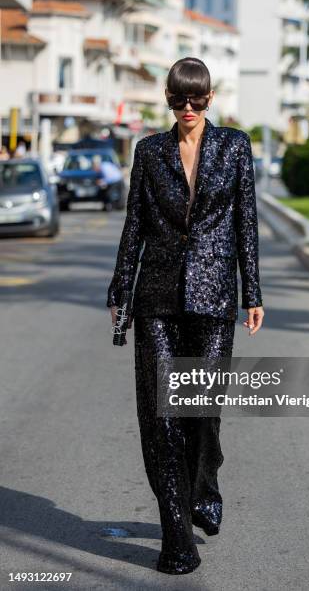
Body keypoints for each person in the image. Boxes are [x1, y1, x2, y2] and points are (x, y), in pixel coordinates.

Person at [106, 57, 264, 575]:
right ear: (169, 101)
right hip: (156, 298)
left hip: (216, 297)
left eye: (196, 100)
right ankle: (176, 537)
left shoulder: (234, 147)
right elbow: (135, 225)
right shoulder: (149, 152)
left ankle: (204, 483)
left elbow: (246, 223)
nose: (188, 109)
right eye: (179, 100)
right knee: (162, 418)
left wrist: (252, 293)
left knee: (201, 413)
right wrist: (120, 291)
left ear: (210, 99)